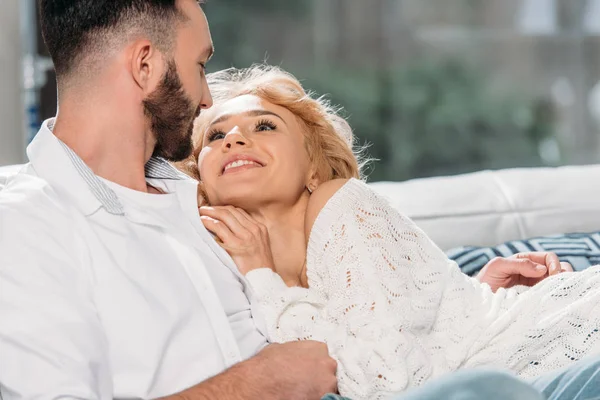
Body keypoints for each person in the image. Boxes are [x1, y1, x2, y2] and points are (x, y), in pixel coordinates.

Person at [0, 1, 586, 399]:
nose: (208, 100)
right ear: (147, 65)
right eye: (201, 65)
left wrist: (456, 304)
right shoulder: (28, 226)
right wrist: (257, 384)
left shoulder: (203, 200)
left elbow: (363, 310)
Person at [190, 64, 599, 400]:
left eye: (264, 126)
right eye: (216, 134)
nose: (235, 139)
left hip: (563, 327)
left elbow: (387, 382)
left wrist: (262, 276)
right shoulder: (215, 259)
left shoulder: (337, 201)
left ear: (313, 166)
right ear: (202, 178)